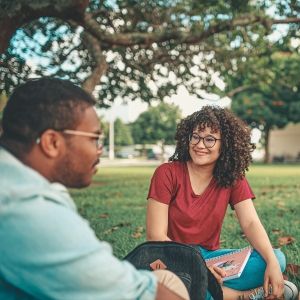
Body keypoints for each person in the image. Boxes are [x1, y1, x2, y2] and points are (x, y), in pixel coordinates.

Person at [0, 77, 189, 300]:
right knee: (169, 285)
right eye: (94, 139)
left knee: (165, 278)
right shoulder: (28, 209)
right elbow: (143, 294)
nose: (99, 150)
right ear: (52, 142)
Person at [146, 106, 298, 300]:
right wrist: (199, 268)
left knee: (276, 258)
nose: (200, 144)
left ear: (225, 144)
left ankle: (208, 290)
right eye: (195, 136)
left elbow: (250, 222)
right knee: (172, 286)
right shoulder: (166, 173)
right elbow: (155, 236)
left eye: (210, 139)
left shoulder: (232, 177)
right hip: (172, 259)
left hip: (212, 259)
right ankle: (245, 296)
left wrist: (272, 264)